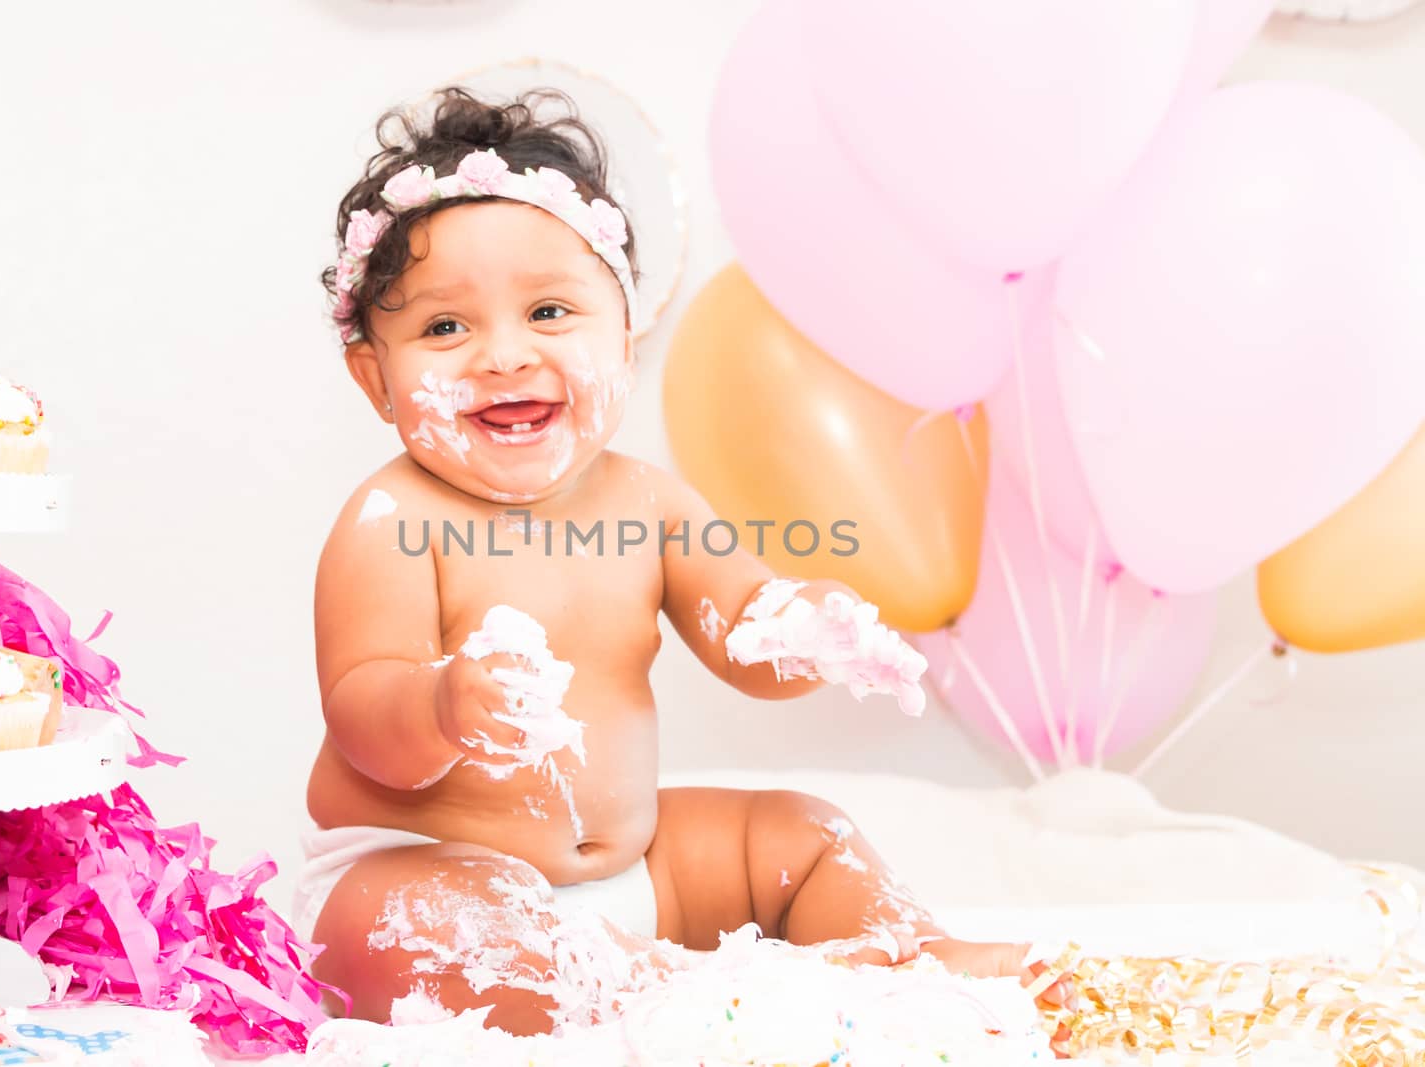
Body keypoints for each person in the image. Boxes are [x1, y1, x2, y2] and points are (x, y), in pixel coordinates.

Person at [297, 87, 1054, 1036]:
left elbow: (742, 630)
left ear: (625, 335)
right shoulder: (391, 518)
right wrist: (445, 703)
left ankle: (906, 951)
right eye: (446, 328)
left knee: (797, 832)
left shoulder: (647, 502)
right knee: (429, 929)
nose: (502, 355)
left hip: (634, 869)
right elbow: (364, 711)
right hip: (421, 865)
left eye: (548, 311)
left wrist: (801, 627)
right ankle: (675, 999)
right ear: (376, 376)